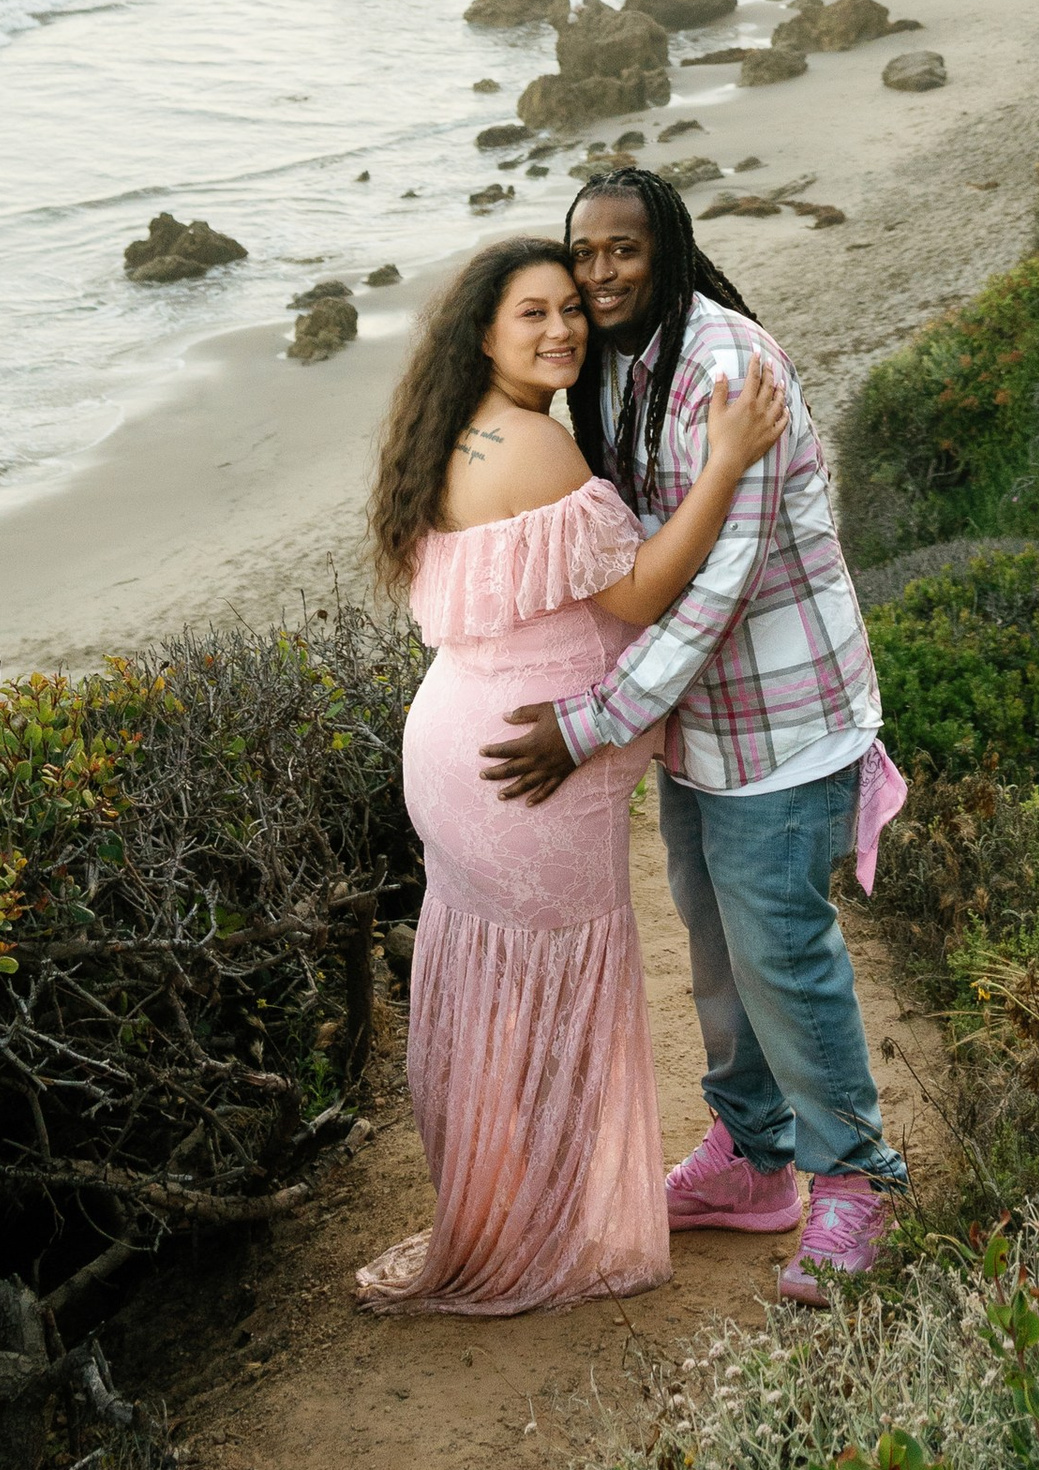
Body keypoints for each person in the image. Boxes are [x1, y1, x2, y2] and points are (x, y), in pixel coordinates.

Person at [480, 168, 910, 1305]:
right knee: (717, 950)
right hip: (698, 726)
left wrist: (589, 724)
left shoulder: (728, 368)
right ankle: (754, 1159)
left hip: (784, 719)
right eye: (584, 252)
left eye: (623, 249)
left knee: (782, 954)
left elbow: (720, 586)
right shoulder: (619, 364)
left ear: (666, 248)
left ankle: (855, 1182)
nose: (600, 272)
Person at [353, 231, 789, 1318]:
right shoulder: (536, 446)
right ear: (483, 334)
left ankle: (502, 1211)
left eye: (570, 310)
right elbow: (637, 592)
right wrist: (726, 460)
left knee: (495, 996)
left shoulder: (456, 430)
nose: (562, 331)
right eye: (532, 314)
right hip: (527, 771)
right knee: (548, 1004)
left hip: (463, 747)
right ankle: (544, 1235)